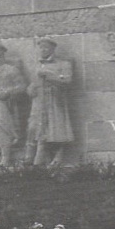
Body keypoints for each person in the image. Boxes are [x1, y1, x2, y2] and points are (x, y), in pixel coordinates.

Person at [26, 38, 74, 167]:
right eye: (41, 47)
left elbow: (67, 80)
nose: (43, 50)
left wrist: (50, 76)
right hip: (38, 102)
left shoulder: (63, 64)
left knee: (56, 129)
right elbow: (32, 83)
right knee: (33, 128)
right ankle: (35, 158)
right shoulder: (36, 65)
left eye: (46, 47)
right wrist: (30, 89)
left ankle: (57, 157)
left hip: (55, 100)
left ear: (52, 49)